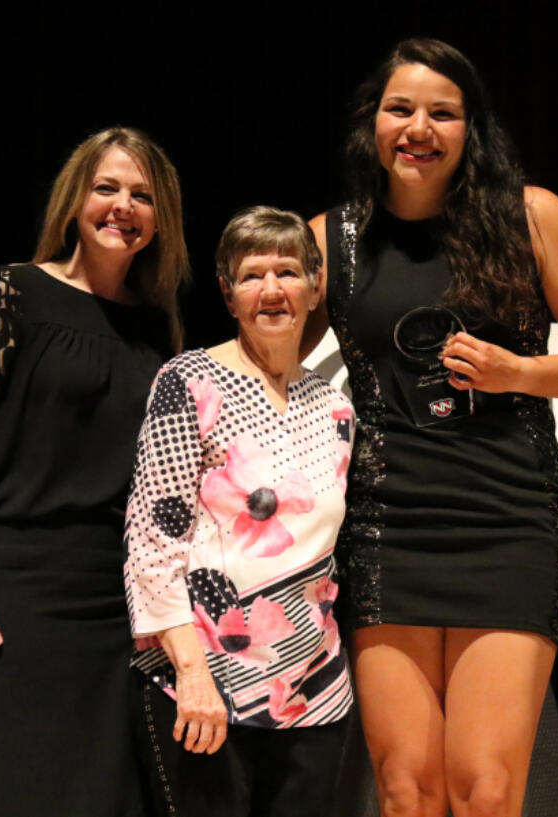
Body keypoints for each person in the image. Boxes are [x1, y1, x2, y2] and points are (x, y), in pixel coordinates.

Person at [301, 39, 558, 817]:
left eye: (442, 113)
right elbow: (261, 346)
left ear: (470, 129)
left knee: (485, 787)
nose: (419, 128)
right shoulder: (332, 238)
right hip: (388, 523)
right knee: (408, 788)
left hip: (505, 517)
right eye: (400, 109)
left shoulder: (533, 217)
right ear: (372, 125)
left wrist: (518, 370)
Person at [0, 126, 190, 817]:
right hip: (13, 600)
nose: (123, 205)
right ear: (74, 201)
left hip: (114, 612)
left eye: (141, 195)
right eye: (107, 188)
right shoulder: (12, 294)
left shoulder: (157, 329)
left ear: (161, 220)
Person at [125, 206, 355, 816]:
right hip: (203, 683)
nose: (272, 290)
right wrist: (193, 674)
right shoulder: (190, 380)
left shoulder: (336, 409)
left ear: (315, 287)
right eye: (252, 276)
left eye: (288, 272)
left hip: (315, 692)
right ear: (228, 296)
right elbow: (154, 539)